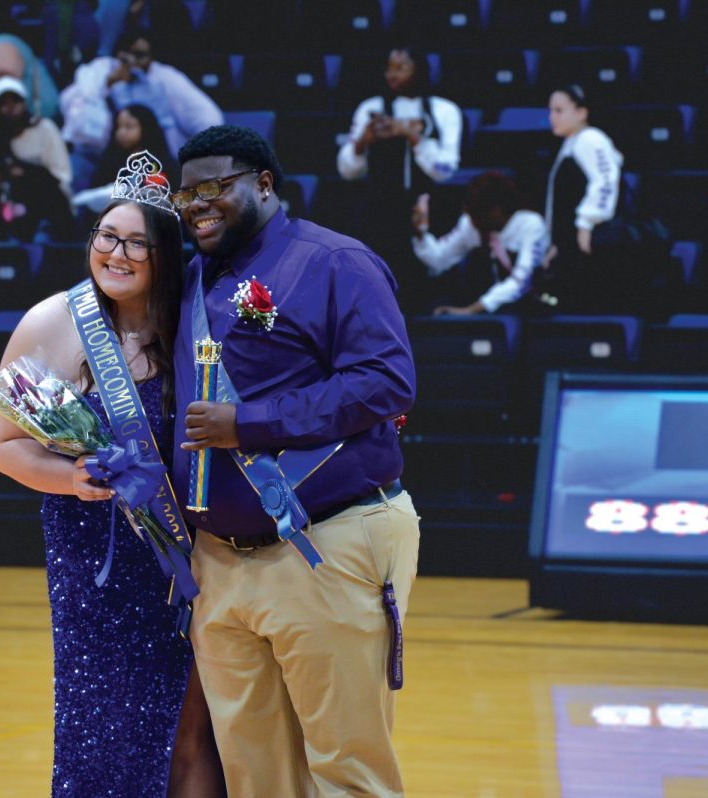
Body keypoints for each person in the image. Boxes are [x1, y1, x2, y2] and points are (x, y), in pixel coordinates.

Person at [172, 125, 421, 796]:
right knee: (256, 776)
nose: (198, 203)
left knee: (347, 768)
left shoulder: (334, 261)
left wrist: (247, 424)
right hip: (219, 558)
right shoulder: (190, 278)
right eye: (186, 192)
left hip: (325, 538)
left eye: (214, 187)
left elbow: (386, 382)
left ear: (263, 183)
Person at [0, 153, 226, 797]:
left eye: (136, 245)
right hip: (94, 561)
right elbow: (5, 446)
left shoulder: (190, 327)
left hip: (191, 558)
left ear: (164, 258)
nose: (116, 254)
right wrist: (73, 479)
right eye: (106, 237)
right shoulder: (49, 323)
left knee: (192, 733)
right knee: (103, 729)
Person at [337, 45, 463, 313]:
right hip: (379, 213)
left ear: (419, 70)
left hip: (426, 212)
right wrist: (364, 141)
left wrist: (412, 136)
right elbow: (347, 170)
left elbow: (445, 169)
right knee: (378, 295)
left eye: (401, 68)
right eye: (389, 68)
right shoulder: (370, 108)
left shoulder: (444, 111)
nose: (392, 75)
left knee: (421, 293)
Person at [60, 28, 222, 157]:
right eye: (127, 53)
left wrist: (195, 155)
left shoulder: (164, 77)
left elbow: (209, 118)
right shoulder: (102, 69)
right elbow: (67, 101)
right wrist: (108, 83)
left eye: (139, 55)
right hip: (108, 153)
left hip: (160, 154)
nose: (132, 61)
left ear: (152, 58)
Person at [411, 171, 550, 315]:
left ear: (495, 211)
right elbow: (439, 258)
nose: (470, 220)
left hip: (533, 308)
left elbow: (521, 282)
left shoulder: (530, 224)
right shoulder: (472, 225)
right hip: (493, 310)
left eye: (475, 214)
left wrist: (470, 310)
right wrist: (420, 233)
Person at [543, 83, 624, 312]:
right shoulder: (571, 143)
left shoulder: (591, 139)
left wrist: (587, 224)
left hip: (591, 243)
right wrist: (557, 242)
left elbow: (606, 179)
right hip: (573, 244)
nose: (552, 117)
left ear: (581, 112)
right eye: (550, 111)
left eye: (559, 111)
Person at [0, 76, 75, 242]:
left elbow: (62, 175)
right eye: (3, 103)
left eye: (15, 101)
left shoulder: (45, 129)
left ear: (24, 103)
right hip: (11, 204)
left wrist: (27, 173)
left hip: (48, 200)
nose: (10, 108)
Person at [73, 103, 175, 214]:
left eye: (129, 126)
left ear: (146, 127)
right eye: (118, 127)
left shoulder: (160, 162)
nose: (121, 132)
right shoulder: (111, 159)